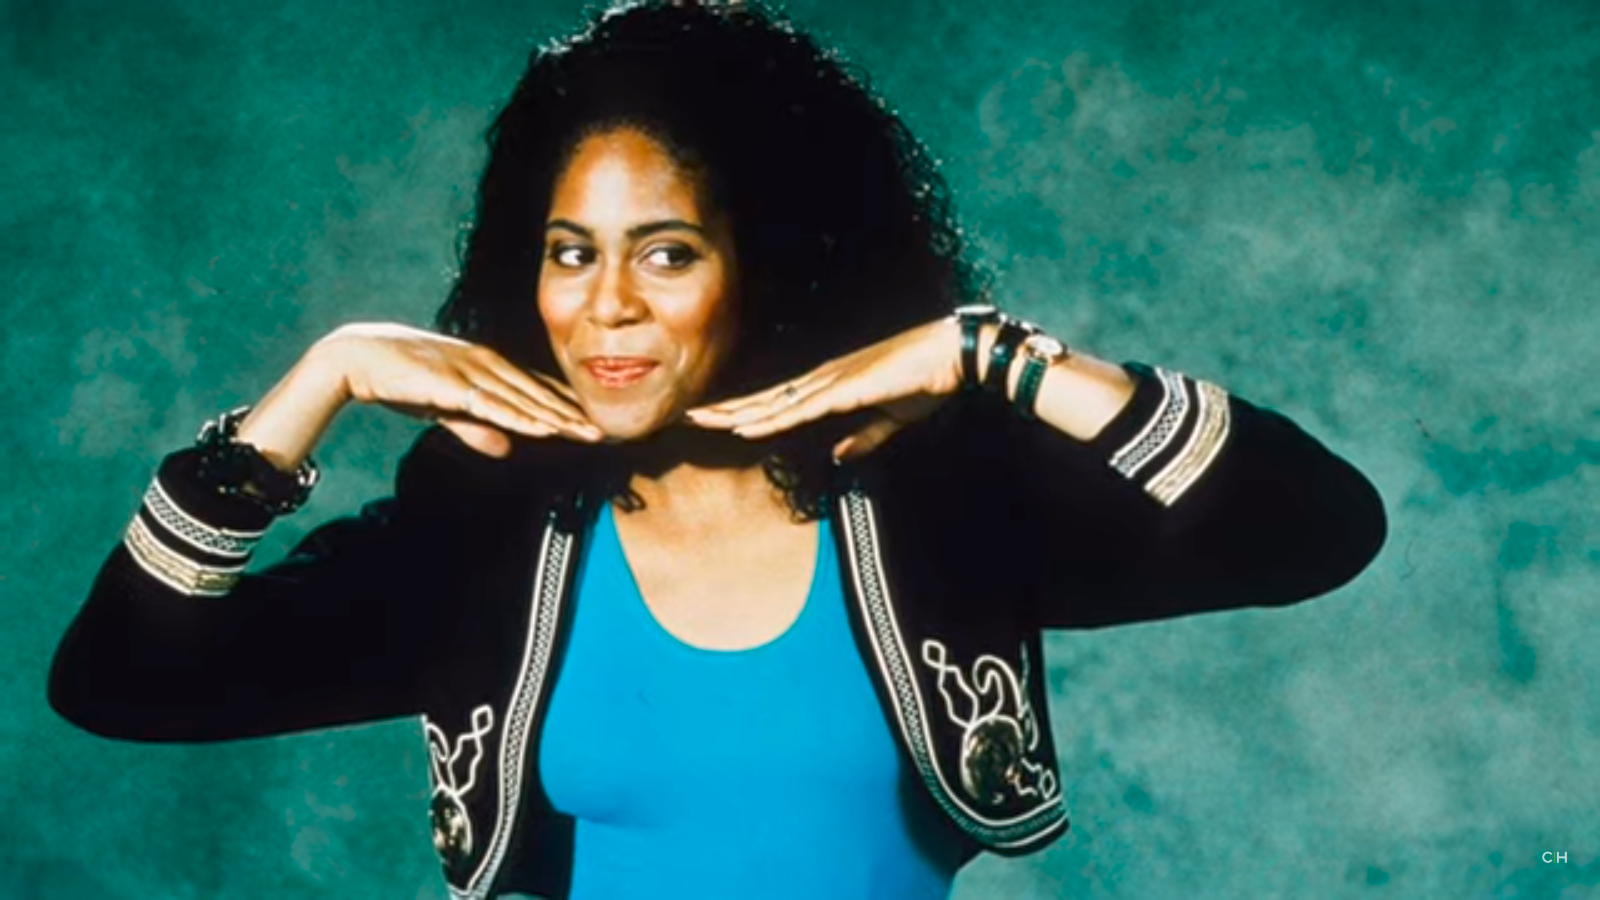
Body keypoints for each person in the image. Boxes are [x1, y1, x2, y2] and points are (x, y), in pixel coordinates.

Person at [47, 2, 1388, 899]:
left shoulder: (935, 506)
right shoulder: (485, 538)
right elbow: (121, 681)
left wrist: (1002, 358)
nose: (607, 308)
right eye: (570, 253)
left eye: (668, 254)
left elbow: (1317, 531)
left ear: (774, 265)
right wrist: (317, 381)